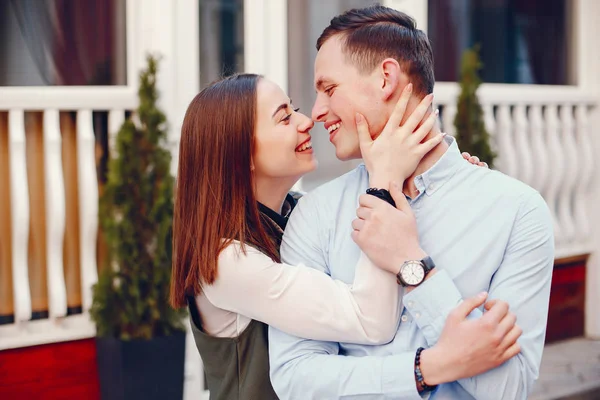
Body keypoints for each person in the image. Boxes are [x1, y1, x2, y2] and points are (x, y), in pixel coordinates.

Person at [268, 5, 554, 400]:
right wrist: (423, 370)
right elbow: (295, 380)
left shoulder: (517, 212)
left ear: (386, 78)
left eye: (329, 89)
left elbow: (509, 388)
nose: (315, 112)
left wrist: (413, 266)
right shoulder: (315, 216)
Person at [169, 73, 485, 399]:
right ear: (242, 154)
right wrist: (385, 176)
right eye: (284, 118)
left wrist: (447, 180)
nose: (306, 122)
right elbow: (371, 321)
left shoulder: (301, 213)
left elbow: (397, 236)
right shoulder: (227, 263)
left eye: (295, 110)